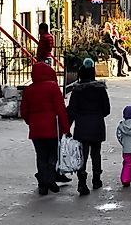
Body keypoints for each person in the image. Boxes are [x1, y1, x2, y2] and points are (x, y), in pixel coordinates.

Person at [20, 62, 70, 195]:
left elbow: (24, 111)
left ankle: (43, 183)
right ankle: (50, 179)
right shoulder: (53, 87)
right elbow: (61, 109)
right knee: (53, 155)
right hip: (52, 128)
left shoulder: (29, 89)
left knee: (41, 156)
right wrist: (66, 128)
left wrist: (31, 122)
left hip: (36, 129)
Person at [66, 58, 111, 195]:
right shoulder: (100, 89)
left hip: (81, 127)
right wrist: (97, 115)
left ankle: (82, 182)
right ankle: (96, 179)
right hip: (97, 126)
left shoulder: (77, 90)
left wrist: (66, 128)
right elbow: (106, 109)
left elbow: (72, 110)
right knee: (96, 154)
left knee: (82, 155)